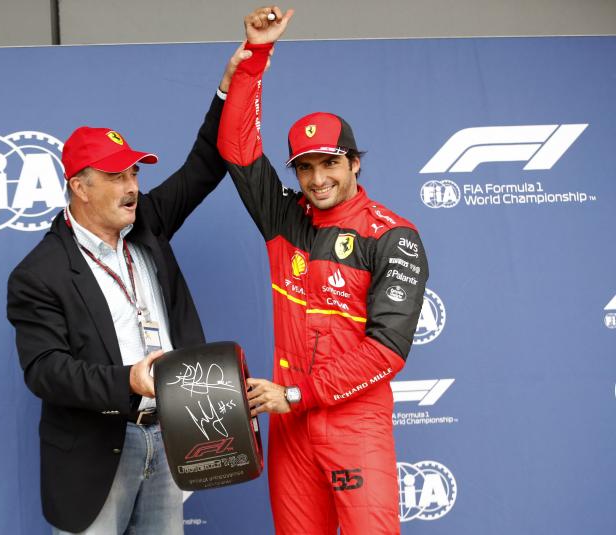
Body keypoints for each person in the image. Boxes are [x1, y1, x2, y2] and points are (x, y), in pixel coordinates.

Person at [7, 48, 251, 534]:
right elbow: (45, 371)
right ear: (80, 187)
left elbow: (204, 164)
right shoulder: (39, 273)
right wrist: (130, 381)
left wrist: (233, 85)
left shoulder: (149, 225)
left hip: (172, 438)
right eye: (116, 176)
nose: (132, 186)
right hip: (97, 452)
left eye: (135, 172)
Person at [217, 6, 429, 534]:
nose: (318, 178)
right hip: (291, 432)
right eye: (305, 167)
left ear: (355, 163)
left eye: (330, 162)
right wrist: (256, 55)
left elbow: (387, 351)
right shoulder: (283, 219)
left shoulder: (392, 236)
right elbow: (237, 148)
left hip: (353, 425)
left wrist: (294, 395)